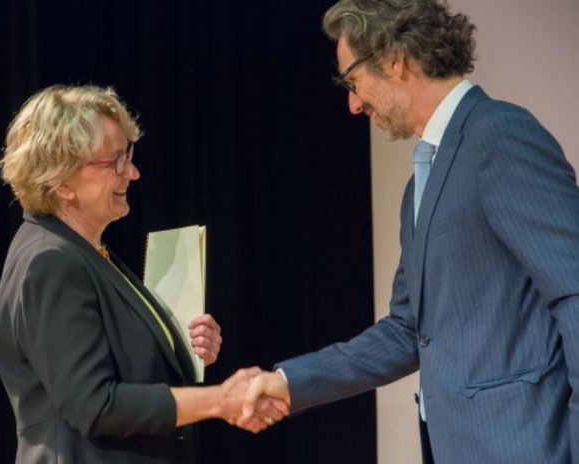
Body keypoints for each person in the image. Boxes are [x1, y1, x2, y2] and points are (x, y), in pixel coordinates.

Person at [239, 1, 579, 463]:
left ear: (394, 59)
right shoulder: (420, 184)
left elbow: (574, 290)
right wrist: (288, 383)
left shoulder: (499, 134)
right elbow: (407, 332)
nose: (353, 103)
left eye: (352, 81)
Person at [0, 85, 287, 464]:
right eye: (114, 161)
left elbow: (114, 366)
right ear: (62, 182)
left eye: (128, 155)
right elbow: (95, 403)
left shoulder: (86, 251)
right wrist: (221, 400)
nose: (132, 172)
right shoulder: (51, 261)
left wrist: (183, 350)